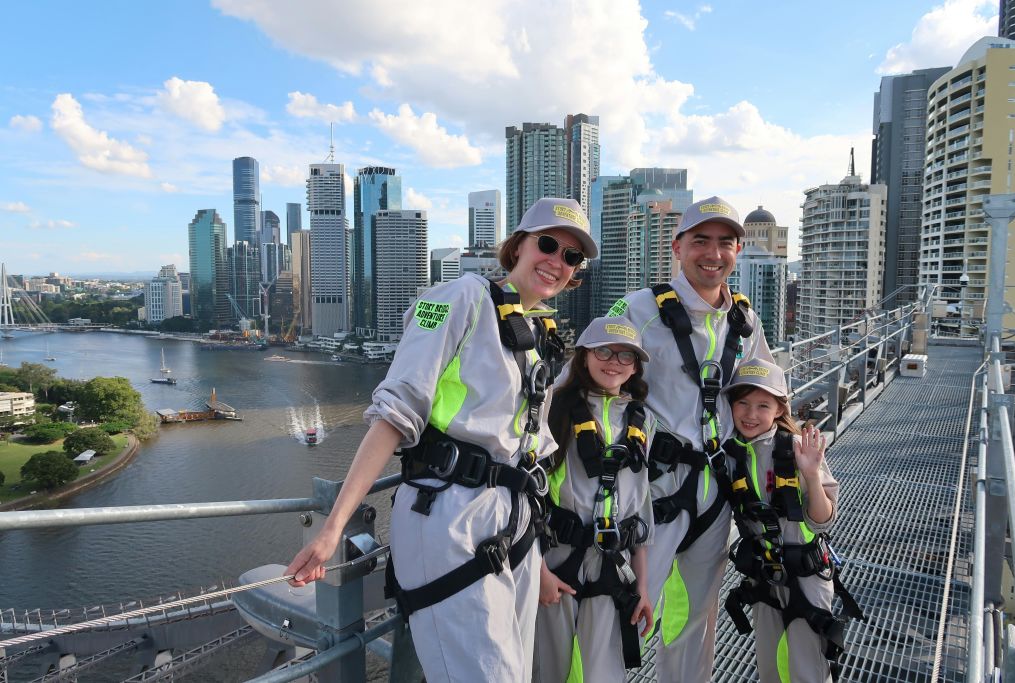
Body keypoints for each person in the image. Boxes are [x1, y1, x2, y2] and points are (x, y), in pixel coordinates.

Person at [285, 197, 598, 683]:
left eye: (572, 257)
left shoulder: (539, 332)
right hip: (448, 517)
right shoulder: (457, 299)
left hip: (512, 529)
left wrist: (534, 562)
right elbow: (394, 414)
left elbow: (527, 455)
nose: (558, 261)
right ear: (518, 246)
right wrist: (332, 528)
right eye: (549, 244)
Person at [606, 195, 774, 680]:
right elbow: (586, 377)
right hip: (651, 487)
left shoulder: (744, 320)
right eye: (701, 240)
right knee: (620, 611)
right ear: (678, 247)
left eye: (726, 243)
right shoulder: (639, 309)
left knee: (693, 618)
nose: (713, 254)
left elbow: (765, 392)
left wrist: (794, 458)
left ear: (738, 250)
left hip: (716, 492)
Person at [721, 357, 861, 682]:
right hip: (764, 575)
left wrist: (812, 475)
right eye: (742, 403)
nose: (751, 414)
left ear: (779, 410)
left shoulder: (796, 450)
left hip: (806, 575)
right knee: (770, 664)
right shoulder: (732, 456)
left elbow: (822, 522)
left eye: (762, 405)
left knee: (807, 666)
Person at [533, 316, 656, 682]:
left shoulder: (641, 418)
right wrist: (538, 573)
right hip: (557, 565)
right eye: (604, 351)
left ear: (635, 367)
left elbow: (640, 508)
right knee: (548, 668)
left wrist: (644, 586)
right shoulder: (554, 409)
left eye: (626, 356)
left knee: (602, 672)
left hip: (614, 570)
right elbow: (528, 496)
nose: (614, 361)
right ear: (583, 355)